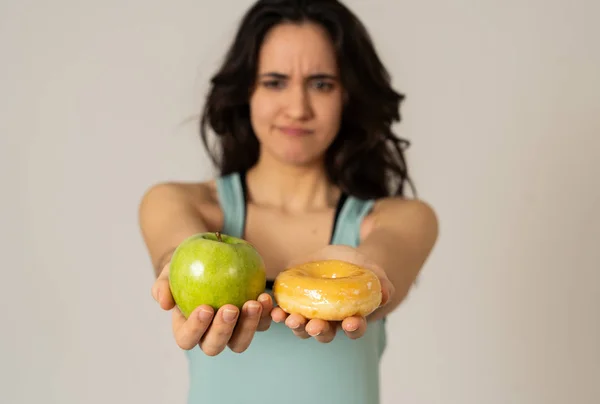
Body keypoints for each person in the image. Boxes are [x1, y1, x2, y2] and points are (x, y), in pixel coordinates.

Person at [139, 0, 438, 403]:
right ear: (247, 92)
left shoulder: (401, 219)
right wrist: (173, 273)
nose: (297, 108)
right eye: (275, 82)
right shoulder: (179, 202)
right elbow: (176, 252)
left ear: (348, 97)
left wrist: (364, 275)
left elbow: (383, 267)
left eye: (321, 84)